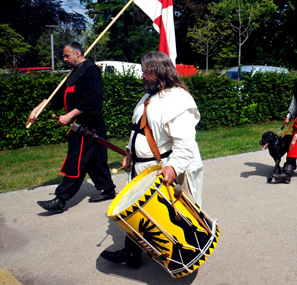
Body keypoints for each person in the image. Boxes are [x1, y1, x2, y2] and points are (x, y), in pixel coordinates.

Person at [100, 51, 204, 268]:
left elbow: (185, 143)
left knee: (171, 217)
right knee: (140, 214)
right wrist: (130, 152)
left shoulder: (178, 99)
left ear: (159, 71)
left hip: (161, 168)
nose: (142, 76)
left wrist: (173, 168)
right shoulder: (148, 97)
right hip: (142, 168)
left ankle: (186, 253)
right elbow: (138, 128)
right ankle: (132, 253)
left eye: (146, 72)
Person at [27, 42, 116, 212]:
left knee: (76, 160)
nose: (64, 59)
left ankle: (61, 199)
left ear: (77, 53)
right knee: (95, 160)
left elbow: (93, 100)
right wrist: (37, 110)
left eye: (67, 55)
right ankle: (108, 189)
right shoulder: (73, 73)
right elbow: (57, 96)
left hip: (88, 125)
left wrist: (69, 115)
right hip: (79, 124)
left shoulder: (90, 70)